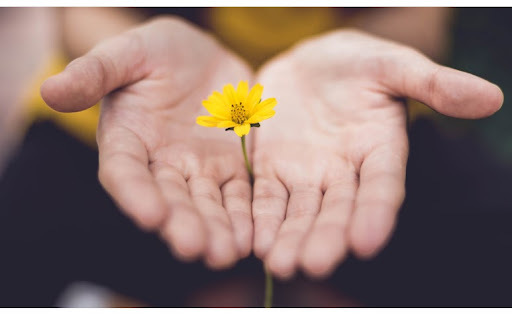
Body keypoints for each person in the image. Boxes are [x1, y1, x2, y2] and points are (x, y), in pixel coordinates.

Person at [40, 13, 502, 281]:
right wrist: (123, 55)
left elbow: (418, 16)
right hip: (146, 119)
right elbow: (78, 10)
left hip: (353, 122)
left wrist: (372, 50)